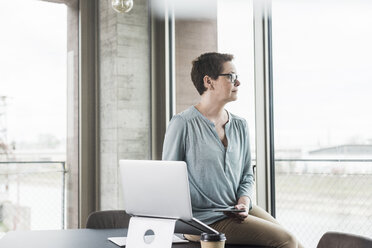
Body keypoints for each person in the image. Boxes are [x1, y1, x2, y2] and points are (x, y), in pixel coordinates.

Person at [162, 52, 303, 248]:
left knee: (296, 242)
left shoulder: (240, 125)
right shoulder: (183, 124)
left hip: (234, 211)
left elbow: (246, 174)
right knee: (286, 241)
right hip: (202, 220)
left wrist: (244, 202)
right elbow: (169, 181)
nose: (238, 83)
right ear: (208, 81)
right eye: (231, 76)